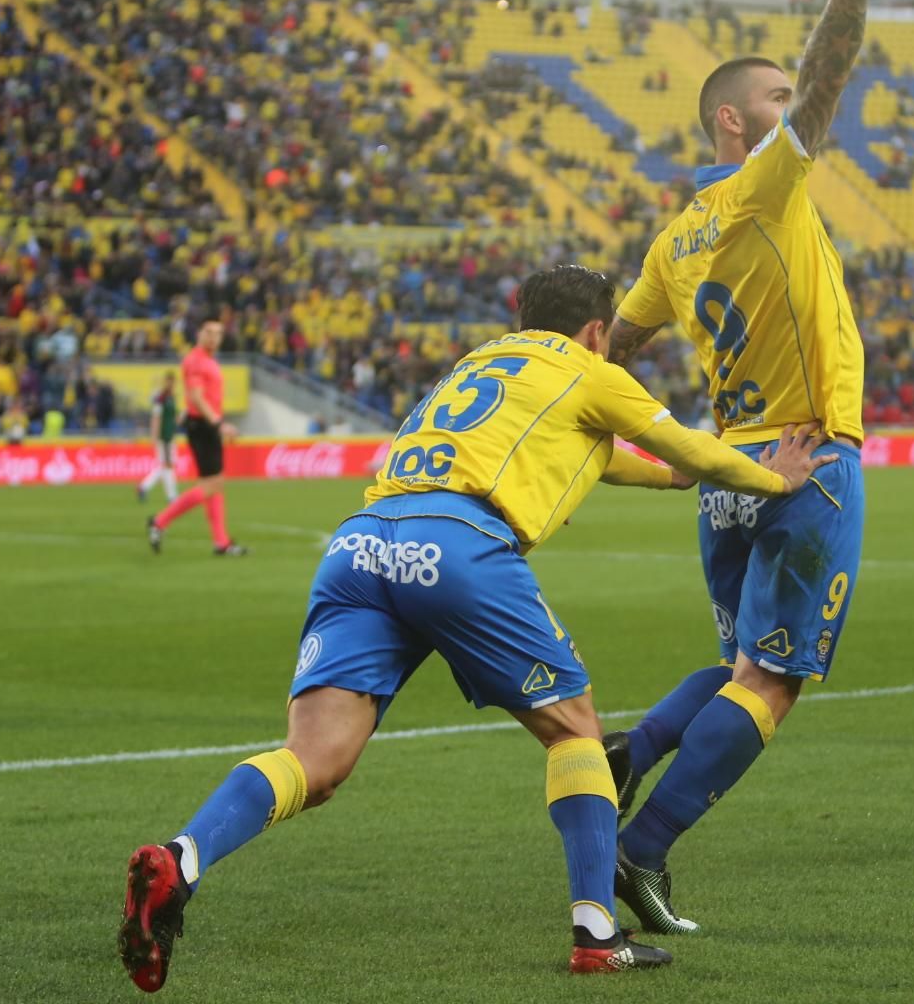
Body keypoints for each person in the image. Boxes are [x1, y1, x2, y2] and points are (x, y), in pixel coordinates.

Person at [115, 266, 837, 991]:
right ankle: (595, 932)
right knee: (576, 732)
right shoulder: (590, 369)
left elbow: (588, 448)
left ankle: (181, 861)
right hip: (459, 544)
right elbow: (690, 444)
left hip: (361, 543)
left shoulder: (481, 362)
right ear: (595, 331)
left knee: (315, 758)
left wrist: (667, 479)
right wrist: (777, 479)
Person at [599, 0, 914, 935]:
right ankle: (643, 853)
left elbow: (614, 344)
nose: (797, 115)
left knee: (736, 662)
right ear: (738, 128)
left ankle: (626, 756)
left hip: (728, 475)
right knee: (773, 684)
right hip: (805, 459)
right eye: (776, 104)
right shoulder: (765, 186)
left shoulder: (671, 239)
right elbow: (831, 66)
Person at [146, 322, 244, 556]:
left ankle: (221, 542)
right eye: (208, 332)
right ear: (198, 334)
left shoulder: (207, 360)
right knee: (211, 485)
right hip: (203, 425)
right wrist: (218, 424)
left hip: (205, 424)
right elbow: (197, 397)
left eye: (218, 334)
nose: (213, 338)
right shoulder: (196, 361)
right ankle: (159, 521)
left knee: (215, 484)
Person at [135, 372, 181, 504]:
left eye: (173, 381)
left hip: (170, 435)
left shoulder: (172, 398)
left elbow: (175, 418)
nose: (171, 384)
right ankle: (172, 496)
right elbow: (156, 418)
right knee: (168, 465)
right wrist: (154, 436)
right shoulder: (160, 399)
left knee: (166, 465)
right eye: (169, 381)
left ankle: (143, 487)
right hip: (164, 436)